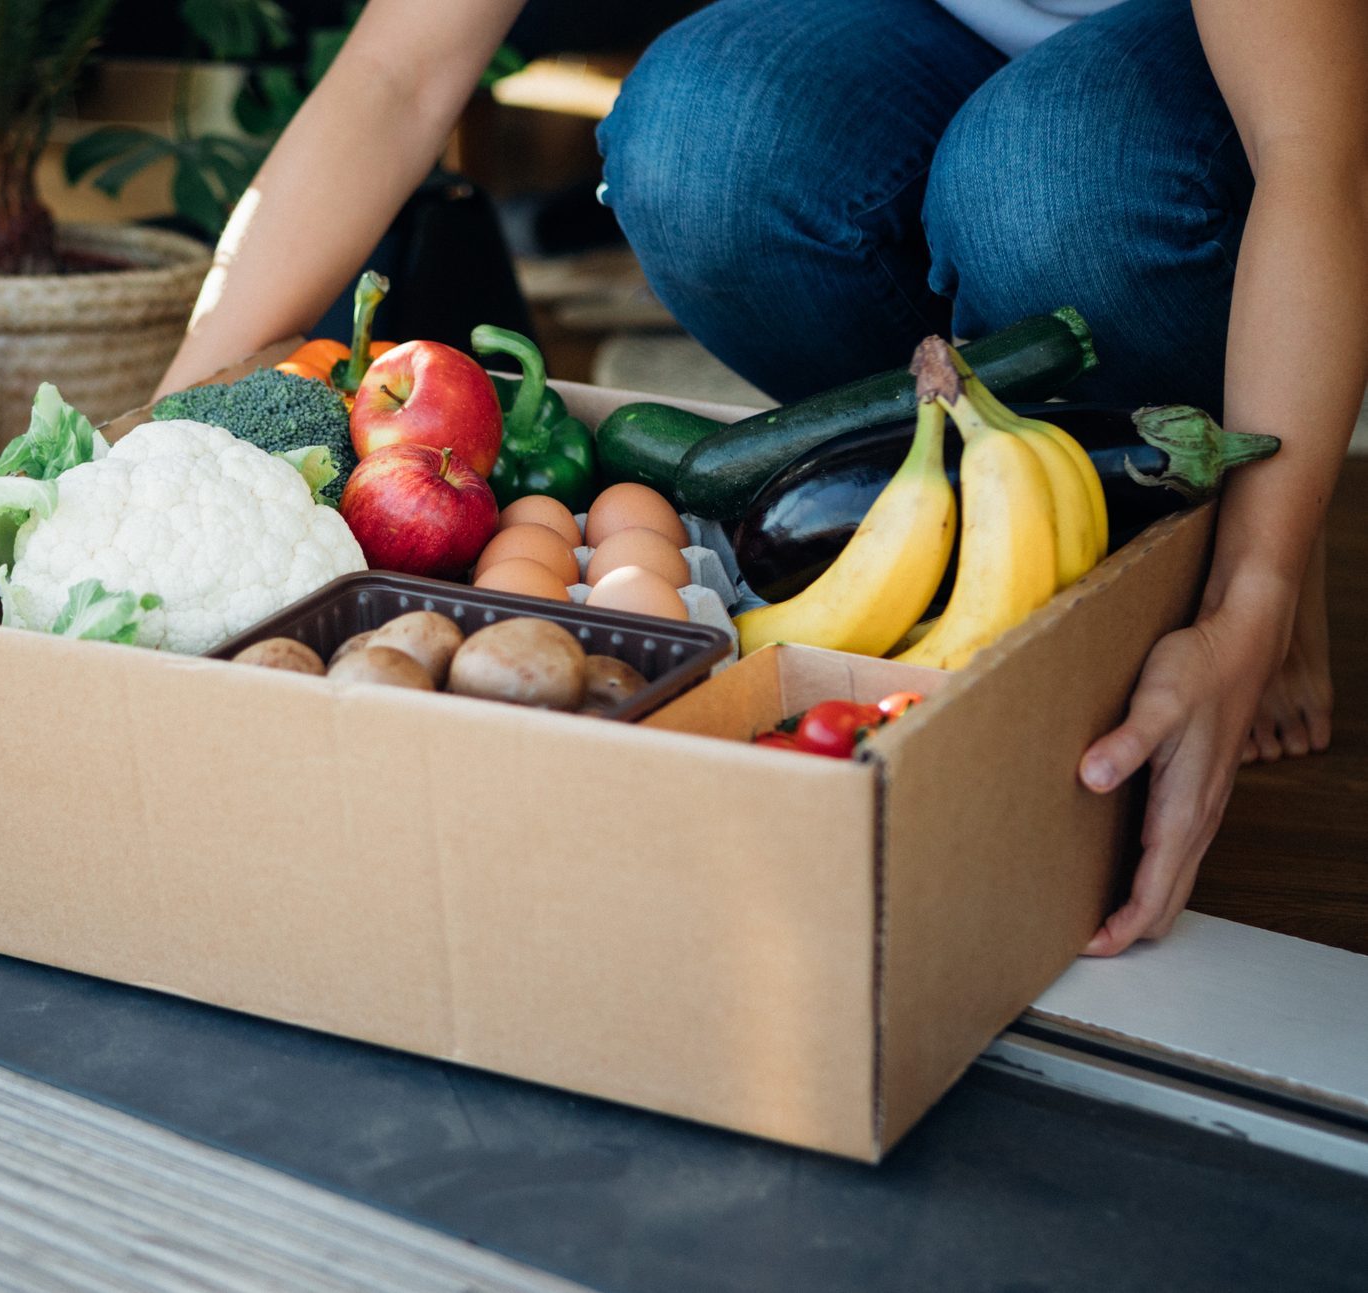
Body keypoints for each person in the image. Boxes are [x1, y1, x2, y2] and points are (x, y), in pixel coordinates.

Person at [157, 0, 1368, 955]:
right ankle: (942, 505)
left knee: (1040, 186)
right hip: (924, 35)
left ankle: (1214, 480)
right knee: (701, 141)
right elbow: (397, 70)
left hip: (1218, 79)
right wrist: (179, 417)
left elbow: (1315, 154)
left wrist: (1247, 599)